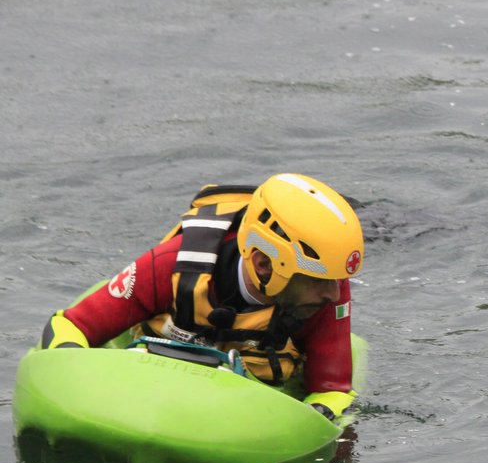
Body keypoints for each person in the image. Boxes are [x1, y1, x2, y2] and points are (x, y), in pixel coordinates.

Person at [39, 174, 365, 420]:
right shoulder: (170, 266)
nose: (334, 293)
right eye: (318, 281)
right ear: (265, 265)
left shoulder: (325, 293)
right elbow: (69, 327)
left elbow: (332, 391)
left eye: (339, 280)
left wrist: (308, 419)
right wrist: (73, 377)